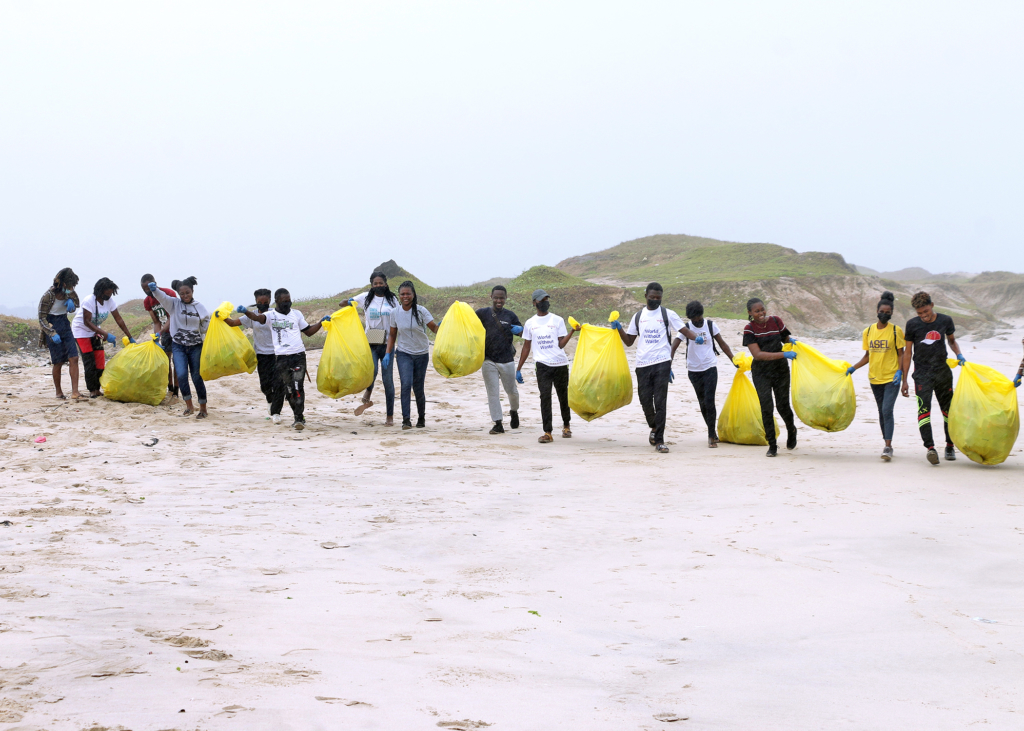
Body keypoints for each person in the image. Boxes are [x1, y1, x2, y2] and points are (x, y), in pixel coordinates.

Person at [611, 282, 685, 454]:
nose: (655, 300)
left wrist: (695, 337)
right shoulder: (638, 316)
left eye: (658, 298)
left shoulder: (667, 314)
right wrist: (620, 329)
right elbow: (629, 342)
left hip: (662, 363)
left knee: (660, 402)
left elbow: (683, 330)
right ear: (645, 296)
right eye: (652, 297)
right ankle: (654, 426)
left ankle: (660, 440)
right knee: (645, 400)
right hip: (643, 365)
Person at [901, 291, 964, 465]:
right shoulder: (912, 325)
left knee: (948, 411)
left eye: (926, 312)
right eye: (920, 313)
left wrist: (959, 354)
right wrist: (904, 380)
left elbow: (951, 341)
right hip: (922, 374)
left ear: (932, 306)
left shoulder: (945, 320)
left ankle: (950, 445)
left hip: (942, 372)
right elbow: (908, 353)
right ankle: (930, 448)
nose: (924, 316)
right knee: (924, 411)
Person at [845, 291, 905, 461]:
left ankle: (888, 446)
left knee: (887, 410)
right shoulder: (869, 331)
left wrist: (900, 372)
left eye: (888, 313)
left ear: (892, 313)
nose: (884, 315)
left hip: (891, 378)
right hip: (874, 378)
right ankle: (886, 443)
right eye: (882, 312)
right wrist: (853, 368)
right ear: (877, 311)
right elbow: (868, 356)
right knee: (881, 411)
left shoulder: (896, 331)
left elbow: (902, 354)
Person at [671, 300, 737, 448]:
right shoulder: (686, 328)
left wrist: (733, 359)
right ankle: (712, 431)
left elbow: (722, 343)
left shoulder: (711, 325)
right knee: (702, 402)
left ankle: (710, 436)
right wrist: (668, 366)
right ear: (690, 318)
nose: (698, 321)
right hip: (693, 370)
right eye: (695, 319)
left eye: (699, 318)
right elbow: (674, 346)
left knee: (709, 400)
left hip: (710, 367)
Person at [516, 289, 579, 444]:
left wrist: (571, 331)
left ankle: (566, 425)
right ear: (534, 302)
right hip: (542, 365)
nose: (544, 302)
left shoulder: (557, 320)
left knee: (563, 396)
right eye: (541, 300)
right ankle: (547, 432)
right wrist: (518, 368)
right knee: (545, 397)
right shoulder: (530, 323)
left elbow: (561, 344)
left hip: (560, 364)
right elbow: (526, 347)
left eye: (546, 300)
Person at [262, 288, 327, 430]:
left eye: (289, 300)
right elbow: (258, 318)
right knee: (289, 388)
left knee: (298, 386)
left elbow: (308, 332)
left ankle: (299, 418)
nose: (287, 303)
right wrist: (246, 312)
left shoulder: (296, 314)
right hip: (281, 358)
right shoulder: (270, 315)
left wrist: (321, 322)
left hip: (298, 356)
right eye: (284, 301)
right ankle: (296, 414)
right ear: (277, 301)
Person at [146, 277, 211, 418]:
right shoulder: (174, 304)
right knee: (181, 375)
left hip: (195, 346)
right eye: (182, 293)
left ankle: (203, 408)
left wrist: (216, 321)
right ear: (178, 294)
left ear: (192, 291)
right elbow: (162, 297)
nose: (185, 296)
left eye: (187, 292)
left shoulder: (199, 307)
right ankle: (189, 406)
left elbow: (207, 324)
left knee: (196, 376)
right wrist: (154, 289)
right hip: (179, 346)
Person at [742, 298, 798, 458]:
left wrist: (790, 341)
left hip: (780, 371)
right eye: (757, 311)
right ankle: (772, 445)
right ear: (750, 313)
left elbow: (785, 337)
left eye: (762, 309)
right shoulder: (749, 329)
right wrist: (783, 354)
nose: (761, 313)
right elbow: (757, 355)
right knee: (766, 407)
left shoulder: (776, 321)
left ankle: (791, 429)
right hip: (761, 373)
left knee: (783, 405)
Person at [384, 281, 438, 430]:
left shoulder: (421, 311)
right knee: (406, 384)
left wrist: (445, 326)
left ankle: (421, 417)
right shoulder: (395, 313)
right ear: (399, 296)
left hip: (421, 354)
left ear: (413, 295)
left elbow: (434, 329)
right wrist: (388, 353)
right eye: (403, 294)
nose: (405, 296)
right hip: (403, 353)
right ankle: (406, 420)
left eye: (408, 293)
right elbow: (392, 335)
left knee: (418, 387)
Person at [71, 277, 136, 398]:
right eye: (107, 293)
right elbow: (87, 322)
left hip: (95, 331)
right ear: (100, 292)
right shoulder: (89, 301)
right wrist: (106, 335)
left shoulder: (110, 301)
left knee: (100, 361)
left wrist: (130, 336)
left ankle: (98, 388)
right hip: (81, 332)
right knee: (89, 361)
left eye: (111, 293)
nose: (109, 296)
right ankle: (92, 390)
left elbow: (119, 319)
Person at [348, 271, 397, 424]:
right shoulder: (365, 298)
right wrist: (348, 302)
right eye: (375, 284)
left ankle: (389, 416)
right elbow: (346, 303)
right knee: (372, 371)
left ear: (385, 284)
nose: (378, 286)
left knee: (388, 380)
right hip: (371, 342)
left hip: (387, 343)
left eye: (380, 283)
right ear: (371, 285)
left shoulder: (392, 299)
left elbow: (398, 318)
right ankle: (368, 393)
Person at [476, 285, 522, 434]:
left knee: (512, 391)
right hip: (488, 359)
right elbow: (467, 321)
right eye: (496, 297)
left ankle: (514, 411)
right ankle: (498, 423)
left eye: (501, 297)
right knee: (493, 393)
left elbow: (522, 333)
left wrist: (519, 330)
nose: (498, 300)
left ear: (505, 298)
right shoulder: (482, 313)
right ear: (491, 297)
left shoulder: (510, 315)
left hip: (507, 359)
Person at [223, 289, 275, 410]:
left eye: (266, 301)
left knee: (277, 381)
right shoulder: (250, 316)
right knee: (265, 383)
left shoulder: (275, 314)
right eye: (260, 301)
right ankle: (270, 400)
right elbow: (232, 323)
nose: (263, 304)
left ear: (270, 301)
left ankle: (275, 409)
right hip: (261, 354)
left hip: (277, 354)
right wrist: (220, 316)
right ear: (255, 301)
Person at [37, 267, 82, 400]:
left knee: (74, 358)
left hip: (65, 323)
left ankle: (75, 392)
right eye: (70, 285)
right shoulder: (48, 296)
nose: (72, 288)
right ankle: (59, 392)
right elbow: (41, 318)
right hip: (52, 324)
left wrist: (72, 302)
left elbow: (77, 303)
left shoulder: (70, 292)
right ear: (63, 284)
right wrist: (51, 333)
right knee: (58, 362)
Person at [141, 273, 179, 400]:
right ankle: (170, 387)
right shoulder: (147, 301)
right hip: (165, 334)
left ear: (154, 284)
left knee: (177, 361)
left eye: (148, 288)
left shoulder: (168, 293)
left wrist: (162, 329)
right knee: (165, 360)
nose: (147, 291)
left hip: (176, 331)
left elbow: (172, 315)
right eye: (144, 289)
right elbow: (156, 321)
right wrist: (156, 336)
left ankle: (177, 391)